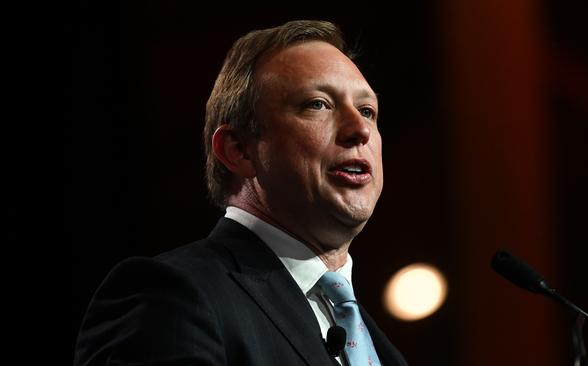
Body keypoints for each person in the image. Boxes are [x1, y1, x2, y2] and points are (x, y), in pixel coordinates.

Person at [74, 20, 408, 366]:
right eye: (317, 104)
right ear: (238, 150)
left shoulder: (382, 349)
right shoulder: (171, 295)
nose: (360, 130)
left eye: (368, 111)